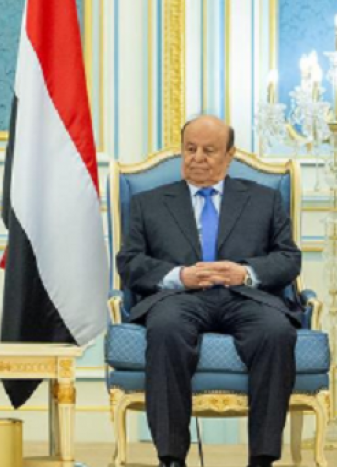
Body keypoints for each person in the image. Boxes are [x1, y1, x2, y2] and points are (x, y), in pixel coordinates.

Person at [116, 114, 302, 467]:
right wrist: (179, 276)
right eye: (190, 149)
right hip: (179, 298)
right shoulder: (149, 203)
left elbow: (289, 259)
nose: (197, 158)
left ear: (230, 155)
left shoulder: (263, 199)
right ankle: (171, 457)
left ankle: (262, 458)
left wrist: (245, 273)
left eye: (209, 150)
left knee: (275, 332)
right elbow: (129, 263)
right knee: (166, 329)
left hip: (245, 297)